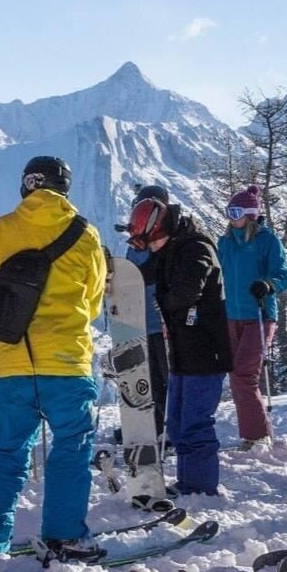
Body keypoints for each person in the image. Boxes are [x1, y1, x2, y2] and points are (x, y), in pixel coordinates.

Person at [0, 156, 106, 560]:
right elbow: (92, 303)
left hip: (12, 365)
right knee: (72, 447)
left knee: (8, 453)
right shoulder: (85, 235)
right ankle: (65, 535)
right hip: (67, 363)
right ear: (63, 188)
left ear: (26, 186)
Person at [126, 196, 232, 495]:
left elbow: (187, 290)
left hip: (205, 350)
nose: (154, 248)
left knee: (196, 423)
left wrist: (163, 300)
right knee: (177, 423)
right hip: (182, 351)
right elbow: (154, 274)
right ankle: (189, 482)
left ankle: (201, 487)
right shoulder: (173, 248)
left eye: (154, 241)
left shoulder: (196, 247)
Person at [216, 184, 287, 446]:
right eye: (228, 211)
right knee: (236, 375)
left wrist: (268, 285)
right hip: (231, 316)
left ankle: (257, 435)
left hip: (259, 314)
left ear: (249, 215)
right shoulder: (225, 243)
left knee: (243, 375)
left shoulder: (267, 241)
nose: (230, 216)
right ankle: (254, 432)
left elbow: (283, 275)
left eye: (235, 211)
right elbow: (217, 275)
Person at [121, 183, 171, 441]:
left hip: (162, 318)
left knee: (167, 375)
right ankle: (152, 425)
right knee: (148, 376)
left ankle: (170, 426)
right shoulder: (136, 244)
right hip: (141, 320)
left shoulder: (167, 239)